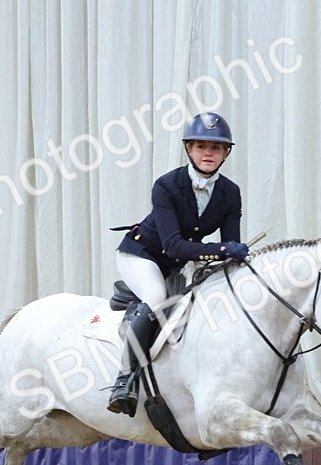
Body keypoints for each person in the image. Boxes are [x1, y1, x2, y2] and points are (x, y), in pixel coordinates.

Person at [107, 112, 249, 416]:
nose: (208, 153)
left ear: (226, 153)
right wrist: (225, 249)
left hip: (175, 265)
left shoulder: (230, 193)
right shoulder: (167, 185)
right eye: (201, 146)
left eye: (216, 147)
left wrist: (236, 258)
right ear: (189, 149)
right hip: (142, 255)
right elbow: (174, 245)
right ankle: (124, 381)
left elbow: (229, 250)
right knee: (156, 298)